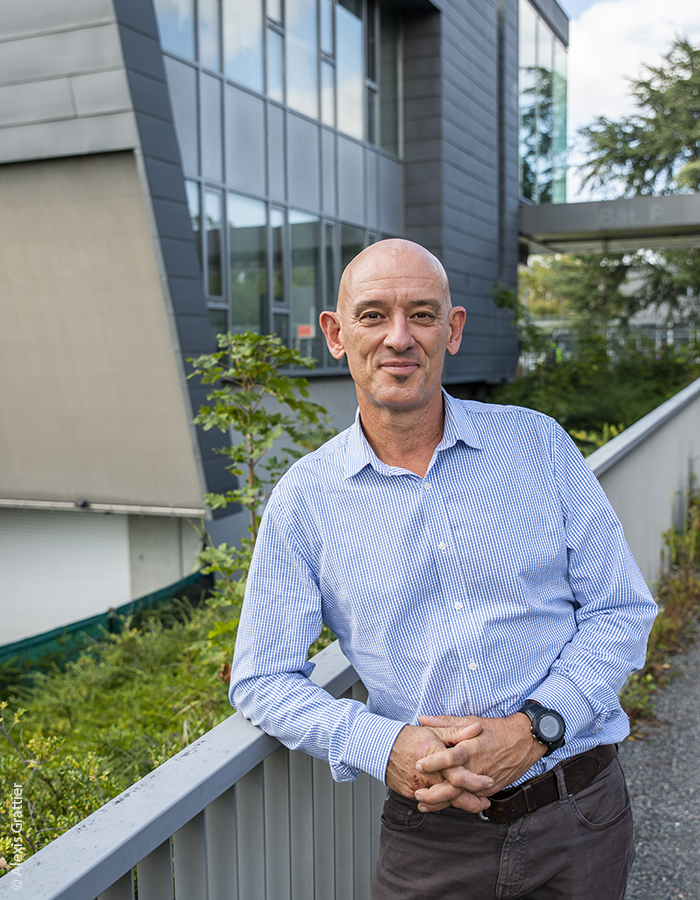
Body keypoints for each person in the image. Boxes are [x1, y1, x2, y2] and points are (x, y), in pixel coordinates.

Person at [230, 239, 657, 899]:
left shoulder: (538, 446)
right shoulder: (303, 501)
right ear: (336, 335)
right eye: (373, 315)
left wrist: (536, 728)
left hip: (579, 814)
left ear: (451, 330)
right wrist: (383, 745)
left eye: (422, 315)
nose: (398, 337)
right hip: (431, 837)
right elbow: (262, 679)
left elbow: (621, 609)